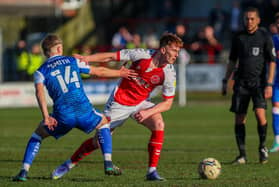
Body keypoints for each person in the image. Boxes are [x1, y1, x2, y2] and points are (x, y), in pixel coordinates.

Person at [51, 33, 183, 181]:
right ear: (164, 50)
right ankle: (69, 164)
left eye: (178, 51)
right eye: (174, 50)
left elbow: (168, 103)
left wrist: (148, 112)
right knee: (97, 142)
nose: (177, 55)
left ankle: (152, 171)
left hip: (141, 103)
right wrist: (86, 59)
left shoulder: (169, 73)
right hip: (119, 102)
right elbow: (112, 56)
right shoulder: (142, 54)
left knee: (159, 124)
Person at [12, 34, 138, 181]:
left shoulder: (40, 71)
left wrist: (46, 117)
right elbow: (99, 71)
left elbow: (39, 92)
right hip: (83, 110)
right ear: (59, 48)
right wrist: (120, 73)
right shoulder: (73, 61)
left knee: (37, 135)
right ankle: (108, 162)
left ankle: (23, 172)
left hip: (63, 116)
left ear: (45, 52)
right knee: (104, 123)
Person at [222, 7, 276, 164]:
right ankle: (242, 155)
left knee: (260, 116)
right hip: (241, 83)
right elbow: (232, 60)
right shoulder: (238, 37)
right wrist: (226, 80)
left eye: (252, 18)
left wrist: (270, 84)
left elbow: (271, 61)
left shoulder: (264, 36)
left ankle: (262, 147)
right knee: (239, 119)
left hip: (259, 83)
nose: (249, 21)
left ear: (258, 20)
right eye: (247, 18)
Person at [270, 12, 279, 152]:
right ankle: (278, 141)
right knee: (276, 107)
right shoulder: (272, 40)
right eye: (278, 22)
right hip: (277, 81)